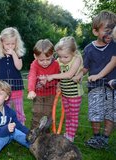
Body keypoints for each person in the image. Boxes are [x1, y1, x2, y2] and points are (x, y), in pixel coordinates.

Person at [75, 10, 116, 149]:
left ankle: (105, 139)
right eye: (107, 31)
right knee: (96, 112)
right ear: (95, 31)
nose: (110, 35)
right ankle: (97, 137)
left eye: (112, 31)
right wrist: (80, 74)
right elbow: (85, 67)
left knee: (111, 112)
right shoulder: (89, 49)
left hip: (112, 87)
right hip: (96, 87)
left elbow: (113, 62)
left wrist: (99, 75)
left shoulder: (114, 46)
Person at [46, 36, 84, 142]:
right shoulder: (60, 60)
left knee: (73, 116)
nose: (62, 59)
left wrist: (53, 76)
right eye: (60, 56)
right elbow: (59, 74)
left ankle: (70, 136)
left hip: (75, 94)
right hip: (65, 93)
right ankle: (67, 133)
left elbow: (69, 74)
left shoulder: (76, 59)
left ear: (73, 52)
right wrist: (58, 86)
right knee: (67, 115)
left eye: (65, 57)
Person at [0, 27, 26, 125]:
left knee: (19, 109)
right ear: (2, 42)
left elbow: (19, 67)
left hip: (16, 87)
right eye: (7, 44)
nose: (10, 46)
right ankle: (7, 127)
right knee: (6, 109)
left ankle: (21, 126)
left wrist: (14, 54)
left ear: (16, 43)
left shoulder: (18, 53)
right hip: (3, 88)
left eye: (13, 44)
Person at [27, 39, 60, 130]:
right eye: (41, 60)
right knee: (37, 113)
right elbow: (32, 76)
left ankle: (45, 134)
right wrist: (31, 90)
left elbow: (57, 79)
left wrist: (48, 83)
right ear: (35, 56)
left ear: (52, 55)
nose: (45, 62)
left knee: (47, 114)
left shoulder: (56, 65)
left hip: (50, 94)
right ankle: (34, 133)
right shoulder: (34, 64)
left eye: (48, 59)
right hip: (38, 94)